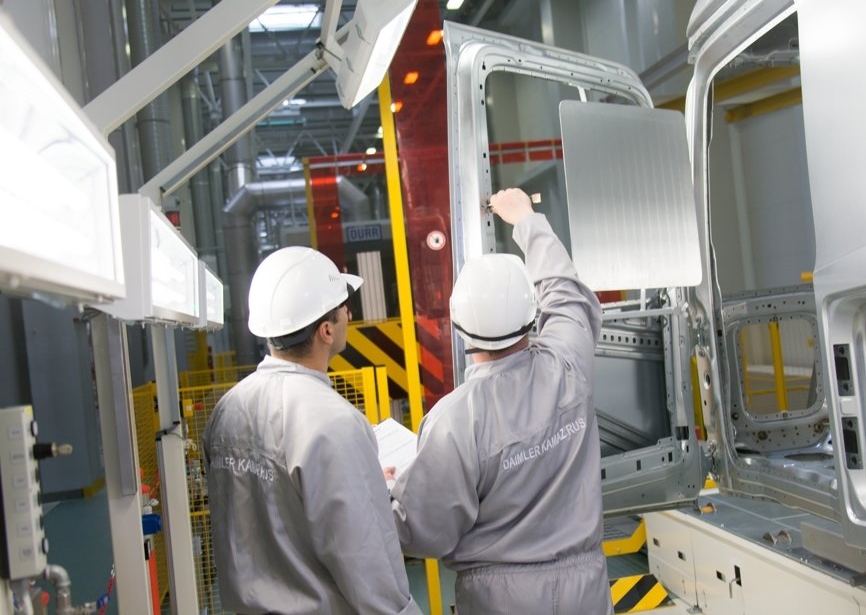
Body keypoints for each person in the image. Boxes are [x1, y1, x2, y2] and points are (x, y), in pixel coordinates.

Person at [389, 188, 613, 614]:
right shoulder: (568, 364)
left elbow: (423, 531)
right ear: (533, 316)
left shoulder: (456, 420)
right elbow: (566, 292)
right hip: (586, 588)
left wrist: (382, 494)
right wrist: (527, 220)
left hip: (501, 600)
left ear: (458, 326)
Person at [203, 246, 422, 615]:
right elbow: (368, 566)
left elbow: (273, 505)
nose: (348, 314)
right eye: (343, 308)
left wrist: (363, 481)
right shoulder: (334, 422)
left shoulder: (227, 410)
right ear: (326, 330)